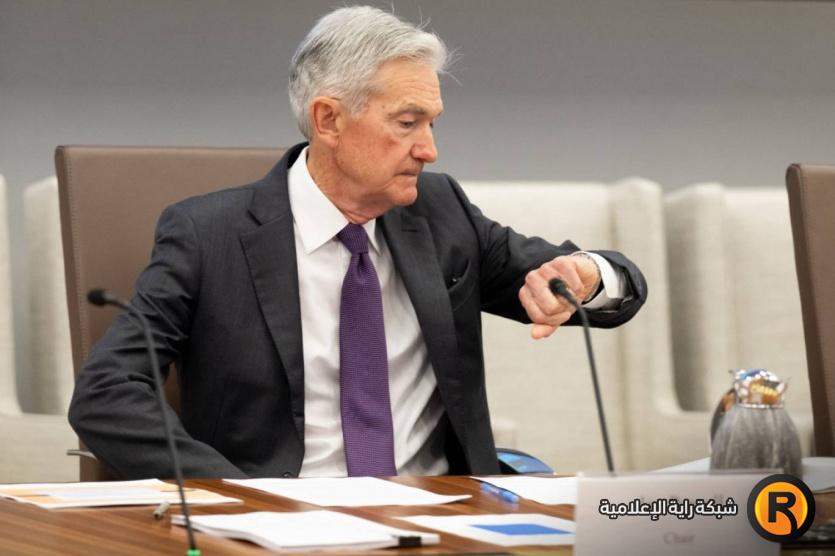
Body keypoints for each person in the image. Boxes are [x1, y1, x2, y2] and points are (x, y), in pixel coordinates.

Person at [69, 6, 647, 479]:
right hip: (280, 523)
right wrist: (234, 498)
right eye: (407, 122)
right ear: (328, 120)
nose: (429, 149)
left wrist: (589, 276)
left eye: (433, 123)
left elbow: (600, 283)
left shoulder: (441, 211)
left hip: (441, 516)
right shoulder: (208, 235)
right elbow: (108, 391)